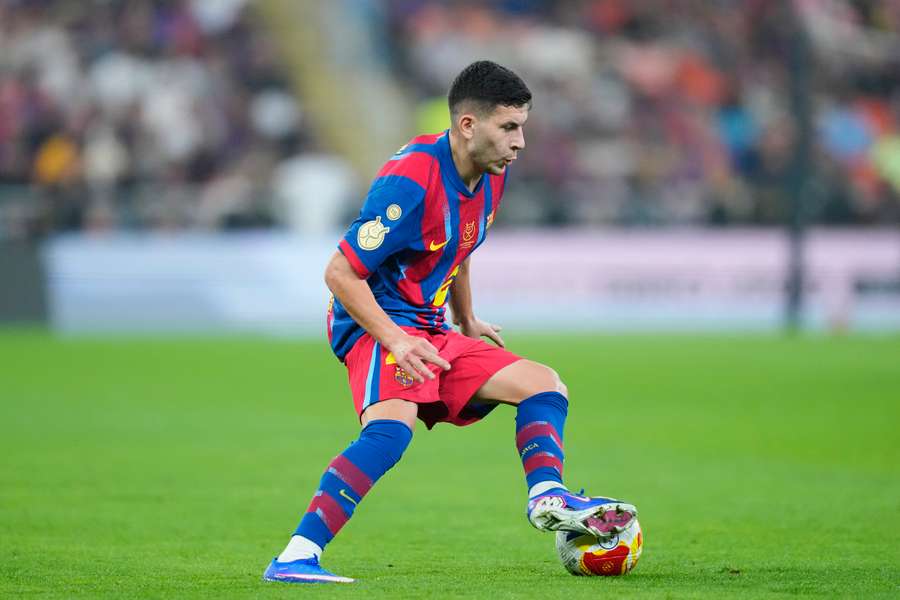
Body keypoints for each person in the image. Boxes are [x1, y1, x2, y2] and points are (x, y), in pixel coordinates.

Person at [263, 60, 637, 584]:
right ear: (467, 125)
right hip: (378, 320)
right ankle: (296, 557)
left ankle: (546, 494)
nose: (520, 141)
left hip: (431, 324)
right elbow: (340, 273)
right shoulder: (409, 180)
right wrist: (396, 339)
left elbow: (460, 245)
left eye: (522, 126)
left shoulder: (491, 176)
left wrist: (466, 317)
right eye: (509, 126)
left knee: (543, 384)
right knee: (391, 433)